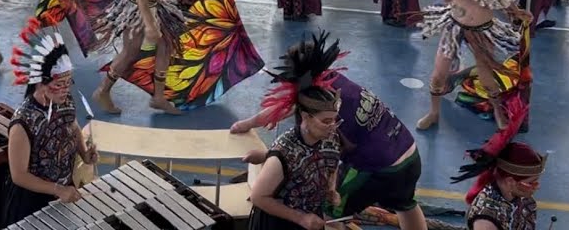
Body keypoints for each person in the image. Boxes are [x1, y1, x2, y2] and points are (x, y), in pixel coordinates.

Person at [232, 33, 428, 230]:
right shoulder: (333, 80)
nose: (332, 124)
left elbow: (293, 113)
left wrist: (254, 130)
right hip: (409, 153)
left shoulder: (322, 107)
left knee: (329, 213)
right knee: (405, 204)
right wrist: (261, 140)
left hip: (379, 167)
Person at [417, 0, 531, 130]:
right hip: (454, 25)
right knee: (438, 76)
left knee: (488, 80)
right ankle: (434, 113)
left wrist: (516, 11)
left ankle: (497, 110)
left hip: (483, 28)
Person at [237, 35, 343, 230]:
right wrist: (300, 218)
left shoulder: (331, 139)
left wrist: (330, 189)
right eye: (326, 121)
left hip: (310, 219)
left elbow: (331, 164)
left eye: (335, 120)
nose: (332, 126)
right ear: (306, 117)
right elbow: (259, 197)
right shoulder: (284, 153)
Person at [4, 18, 96, 224]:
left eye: (68, 82)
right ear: (41, 84)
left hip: (64, 191)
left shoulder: (64, 99)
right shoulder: (23, 122)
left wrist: (84, 154)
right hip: (32, 202)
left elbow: (71, 126)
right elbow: (19, 175)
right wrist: (57, 189)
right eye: (60, 83)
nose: (66, 89)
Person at [452, 114, 545, 230]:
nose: (536, 187)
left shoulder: (522, 197)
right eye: (531, 183)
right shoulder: (486, 222)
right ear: (510, 181)